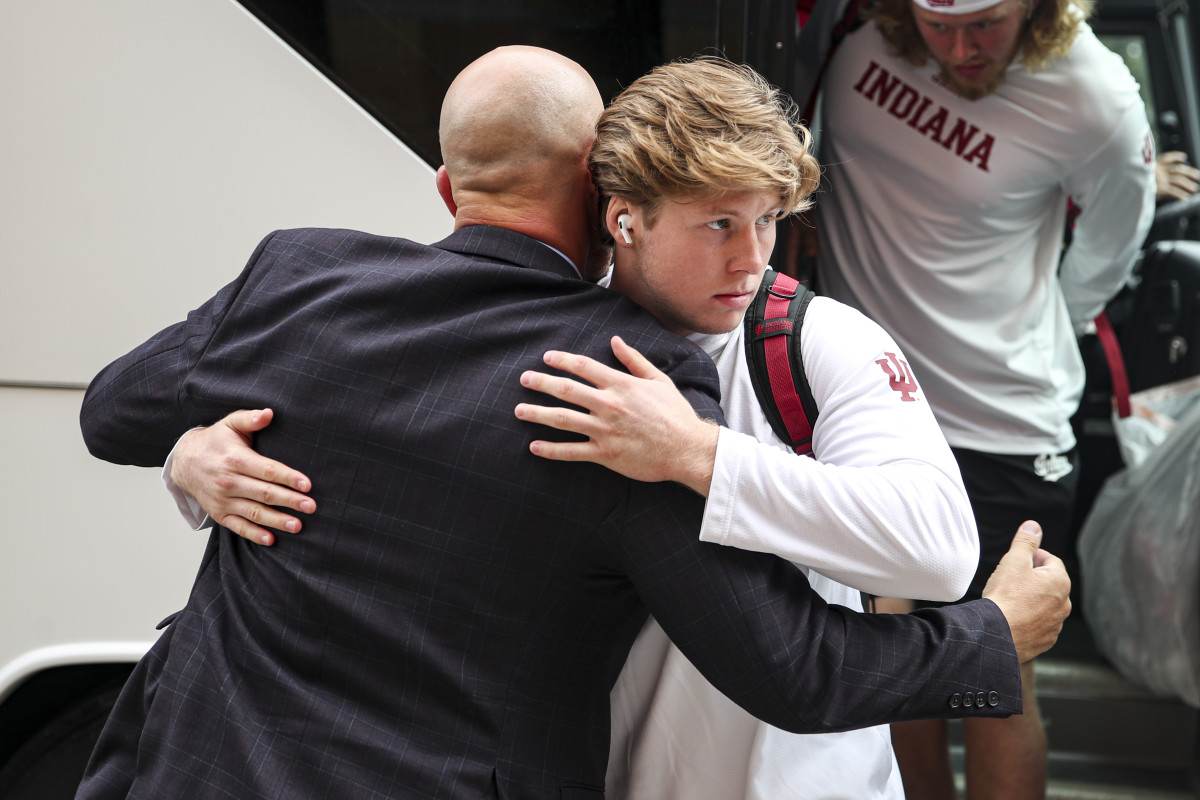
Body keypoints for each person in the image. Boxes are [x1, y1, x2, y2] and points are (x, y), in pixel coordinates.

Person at [78, 47, 1069, 799]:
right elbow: (793, 671)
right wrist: (990, 636)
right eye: (723, 221)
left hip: (194, 767)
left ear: (445, 185)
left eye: (767, 221)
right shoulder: (616, 380)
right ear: (608, 204)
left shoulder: (300, 277)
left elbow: (109, 409)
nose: (754, 256)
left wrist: (189, 450)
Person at [787, 0, 1157, 795]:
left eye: (986, 23)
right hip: (871, 415)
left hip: (1005, 425)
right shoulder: (852, 43)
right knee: (895, 667)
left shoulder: (1095, 94)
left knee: (998, 682)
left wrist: (1036, 322)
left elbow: (1114, 242)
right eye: (937, 23)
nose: (960, 47)